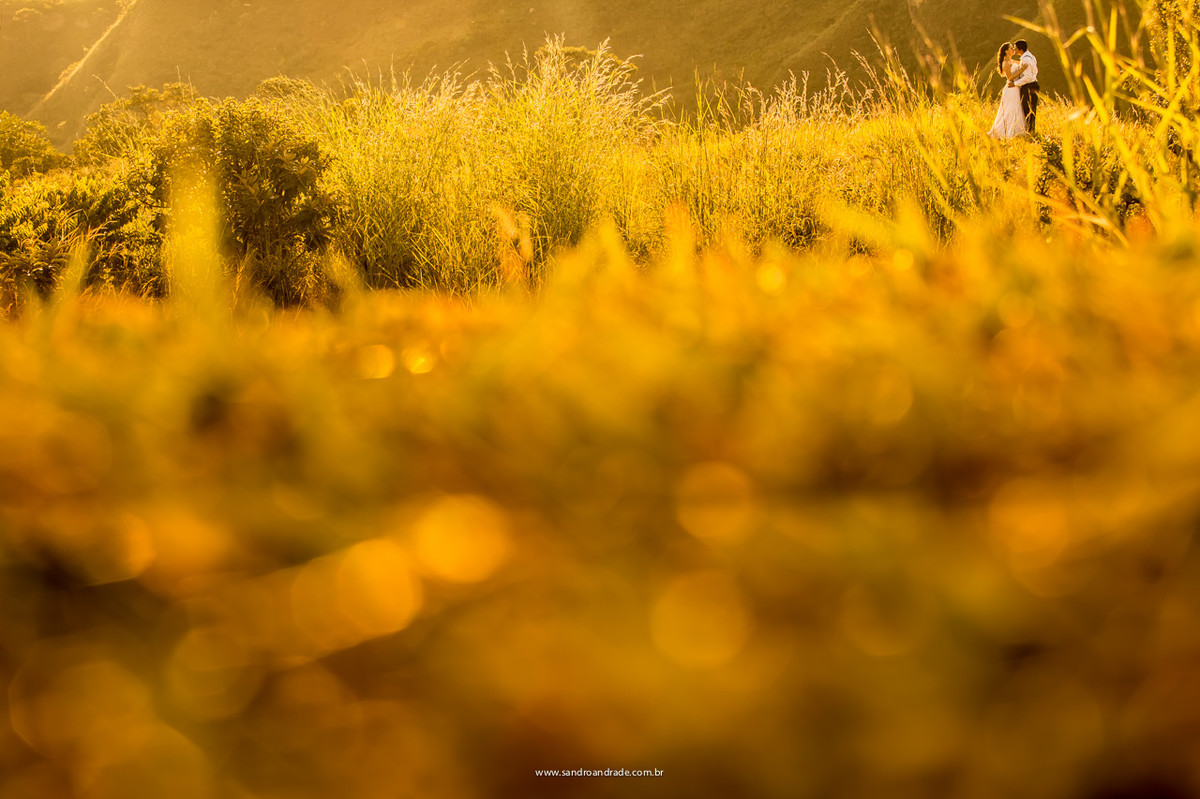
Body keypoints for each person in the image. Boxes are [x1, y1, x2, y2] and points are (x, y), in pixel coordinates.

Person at [988, 43, 1027, 140]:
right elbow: (1010, 78)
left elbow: (1021, 63)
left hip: (1016, 87)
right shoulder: (1005, 63)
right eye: (1011, 48)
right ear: (1006, 51)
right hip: (1011, 88)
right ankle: (1006, 131)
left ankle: (1017, 129)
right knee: (1010, 109)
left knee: (1016, 108)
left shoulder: (1011, 60)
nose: (1013, 49)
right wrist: (1021, 70)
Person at [1011, 39, 1040, 135]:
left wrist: (1015, 83)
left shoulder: (1026, 60)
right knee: (1032, 109)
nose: (1014, 50)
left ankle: (1030, 131)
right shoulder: (1030, 56)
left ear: (1020, 49)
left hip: (1028, 86)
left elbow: (1027, 77)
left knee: (1027, 109)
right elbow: (1035, 71)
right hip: (1033, 83)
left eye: (1015, 48)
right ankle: (1031, 130)